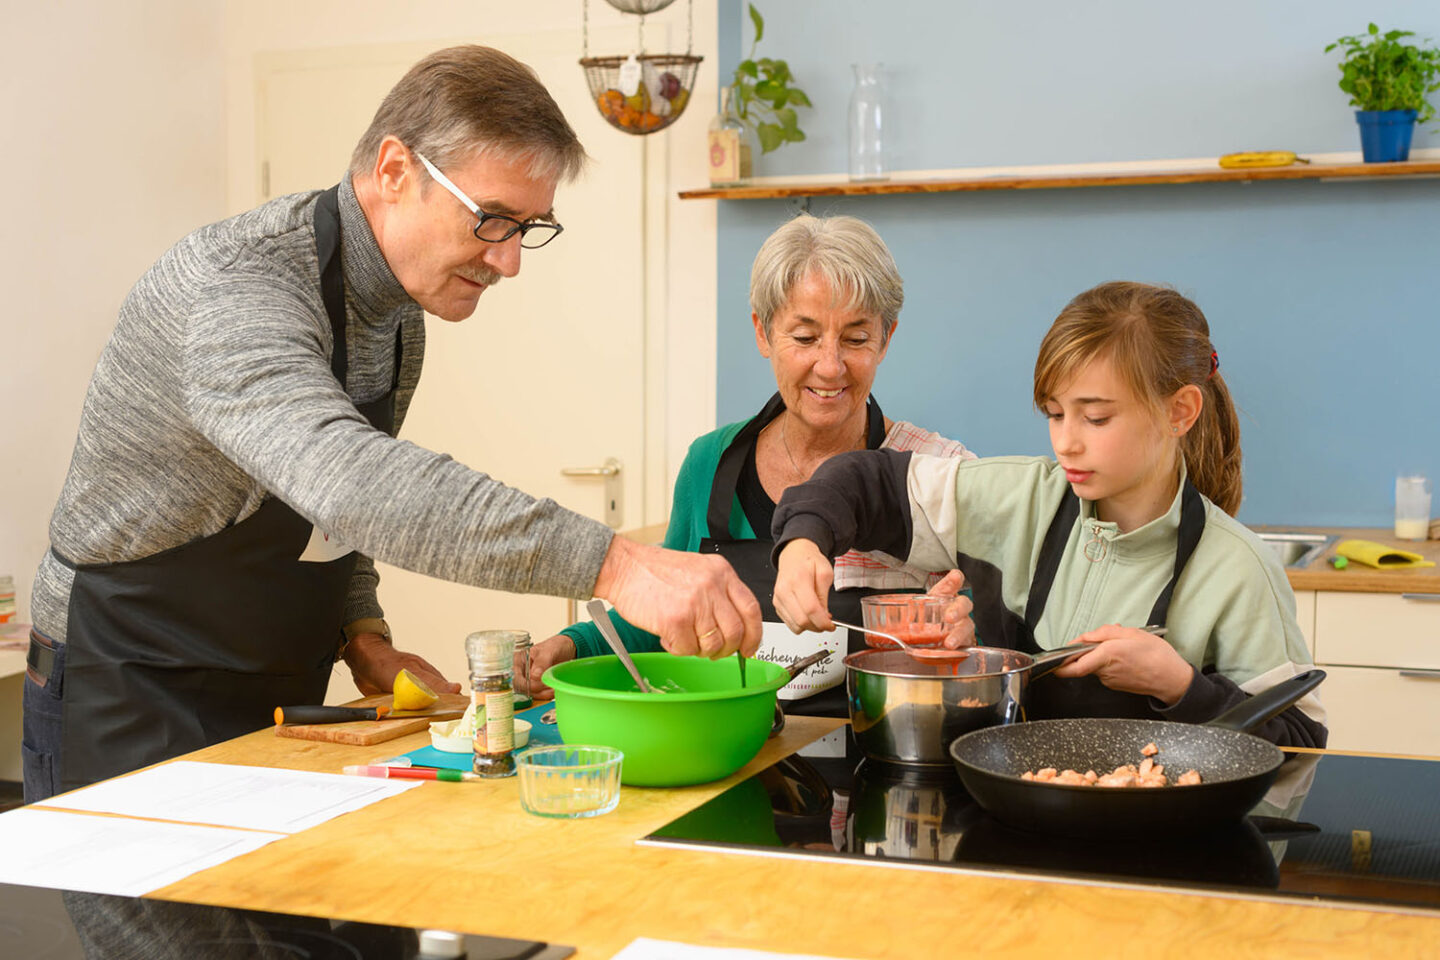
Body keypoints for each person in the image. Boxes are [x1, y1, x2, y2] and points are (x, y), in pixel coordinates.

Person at [21, 45, 760, 803]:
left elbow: (323, 508)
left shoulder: (398, 315)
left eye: (528, 227)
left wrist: (361, 633)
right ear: (395, 169)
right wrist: (621, 566)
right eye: (492, 219)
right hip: (126, 686)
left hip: (274, 690)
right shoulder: (235, 290)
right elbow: (350, 481)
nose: (509, 262)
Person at [770, 281, 1327, 746]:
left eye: (1097, 419)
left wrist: (1178, 685)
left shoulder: (1238, 568)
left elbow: (1300, 745)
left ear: (1179, 411)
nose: (1067, 444)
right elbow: (864, 482)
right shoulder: (1018, 498)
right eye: (1056, 415)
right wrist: (803, 544)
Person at [521, 213, 977, 716]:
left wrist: (965, 635)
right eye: (804, 338)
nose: (829, 366)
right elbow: (660, 617)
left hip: (879, 764)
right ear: (763, 333)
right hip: (734, 756)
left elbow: (988, 645)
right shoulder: (710, 464)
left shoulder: (938, 469)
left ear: (885, 339)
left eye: (855, 338)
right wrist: (575, 645)